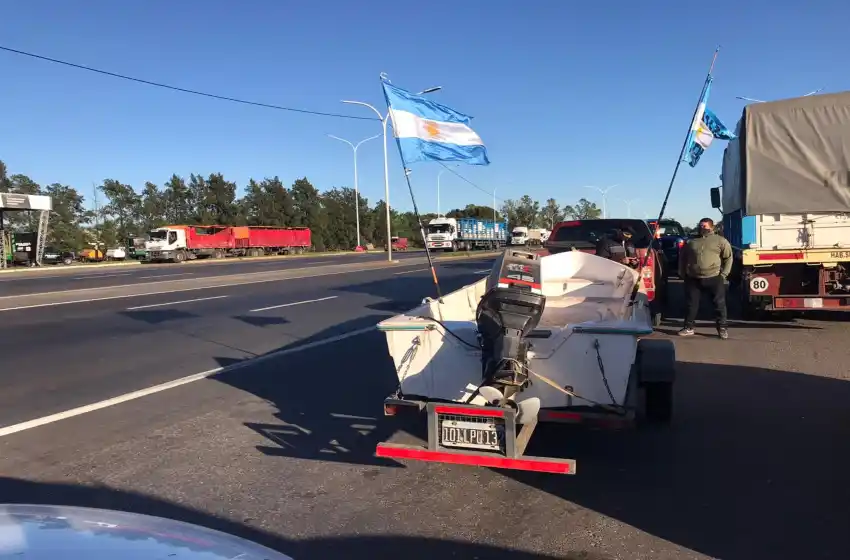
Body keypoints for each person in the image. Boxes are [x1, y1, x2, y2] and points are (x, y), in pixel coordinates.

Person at [678, 217, 733, 339]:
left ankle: (722, 328)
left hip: (714, 277)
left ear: (711, 227)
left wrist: (724, 274)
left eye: (705, 226)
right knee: (691, 304)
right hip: (693, 278)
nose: (702, 228)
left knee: (719, 304)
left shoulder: (720, 241)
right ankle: (688, 327)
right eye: (700, 226)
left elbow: (728, 258)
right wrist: (682, 272)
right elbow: (682, 257)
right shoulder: (691, 242)